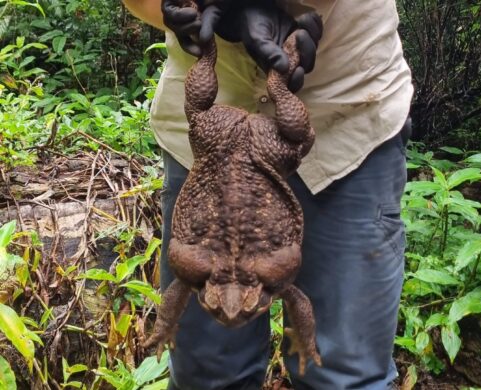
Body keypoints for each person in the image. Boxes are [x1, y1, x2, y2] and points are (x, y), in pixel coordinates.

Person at [122, 1, 413, 389]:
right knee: (205, 375)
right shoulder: (208, 275)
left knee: (344, 375)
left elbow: (292, 293)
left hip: (345, 110)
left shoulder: (266, 277)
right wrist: (201, 15)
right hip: (209, 139)